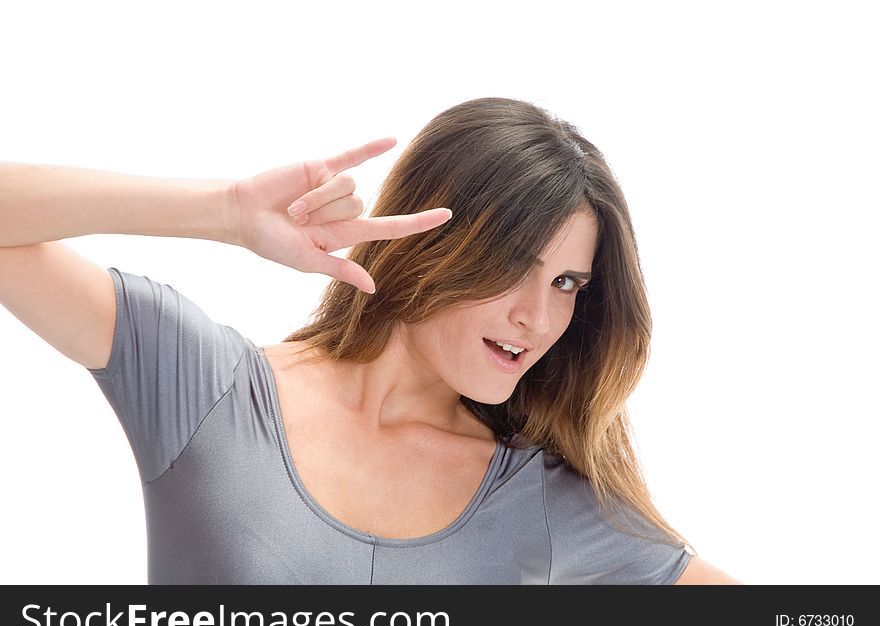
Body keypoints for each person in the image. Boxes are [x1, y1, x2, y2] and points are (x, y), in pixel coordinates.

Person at [0, 97, 740, 584]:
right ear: (430, 241)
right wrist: (224, 212)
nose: (536, 318)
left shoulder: (544, 499)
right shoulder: (211, 391)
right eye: (517, 265)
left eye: (567, 285)